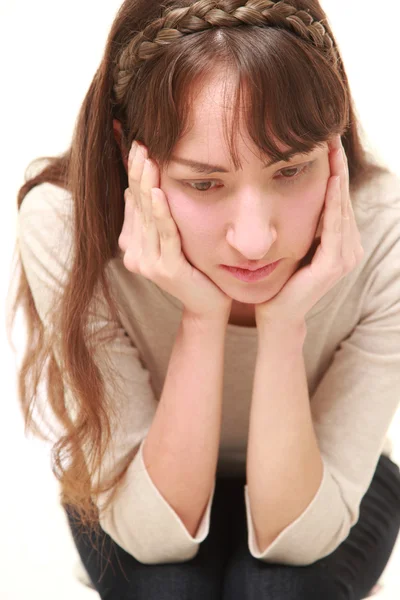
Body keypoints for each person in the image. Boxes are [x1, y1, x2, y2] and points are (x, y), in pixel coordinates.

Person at [8, 0, 400, 598]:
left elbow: (298, 538)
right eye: (204, 183)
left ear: (334, 145)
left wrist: (285, 323)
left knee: (275, 589)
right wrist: (201, 316)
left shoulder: (384, 232)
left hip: (324, 481)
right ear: (128, 153)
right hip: (138, 481)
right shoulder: (65, 226)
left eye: (290, 170)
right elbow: (151, 534)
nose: (254, 239)